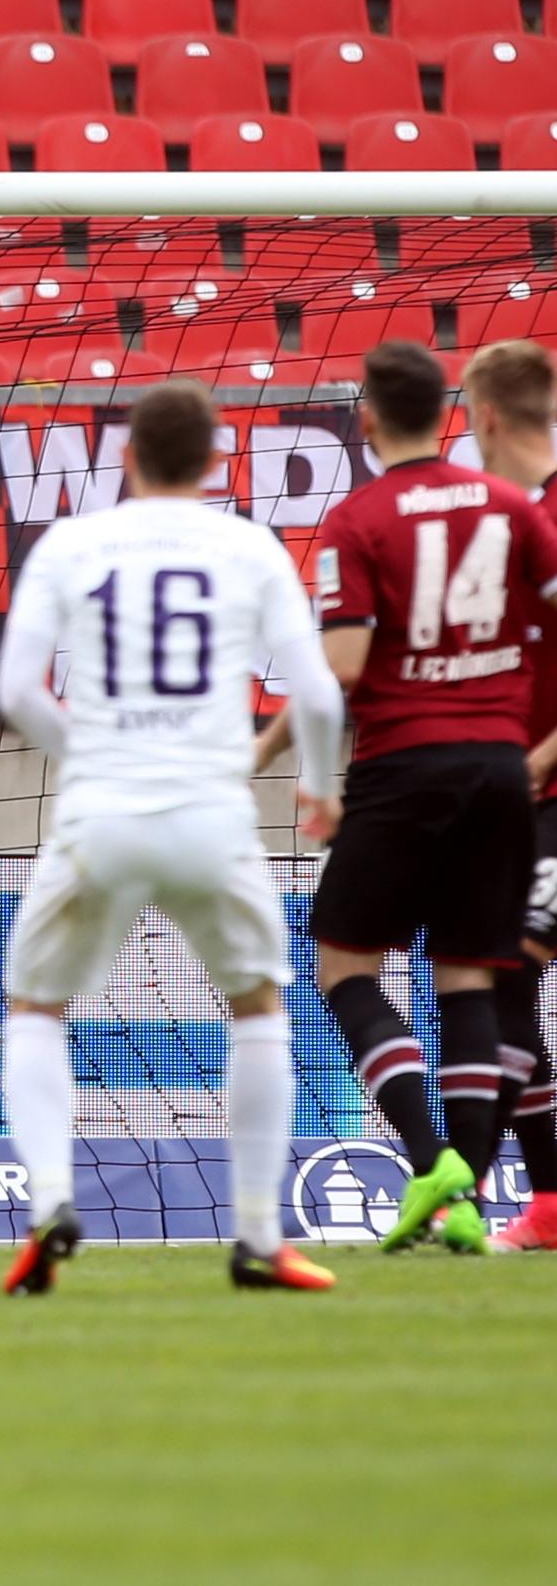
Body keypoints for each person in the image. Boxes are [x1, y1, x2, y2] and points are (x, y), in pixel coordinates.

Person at [0, 381, 347, 1294]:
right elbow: (316, 694)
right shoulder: (251, 546)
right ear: (218, 463)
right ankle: (259, 1237)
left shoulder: (71, 544)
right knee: (257, 1007)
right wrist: (317, 786)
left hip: (100, 814)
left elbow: (16, 691)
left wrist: (93, 755)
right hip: (211, 813)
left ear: (126, 458)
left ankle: (49, 1203)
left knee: (35, 1008)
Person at [272, 340, 557, 1254]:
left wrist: (311, 777)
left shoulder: (357, 520)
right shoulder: (511, 508)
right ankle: (467, 1192)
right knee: (472, 978)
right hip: (501, 772)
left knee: (344, 968)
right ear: (447, 417)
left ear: (364, 419)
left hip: (404, 770)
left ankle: (436, 1162)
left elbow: (343, 669)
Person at [420, 338, 557, 1251]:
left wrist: (536, 758)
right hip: (525, 797)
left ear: (489, 416)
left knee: (507, 972)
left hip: (546, 789)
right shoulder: (516, 520)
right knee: (507, 984)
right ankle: (545, 1200)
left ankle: (457, 1188)